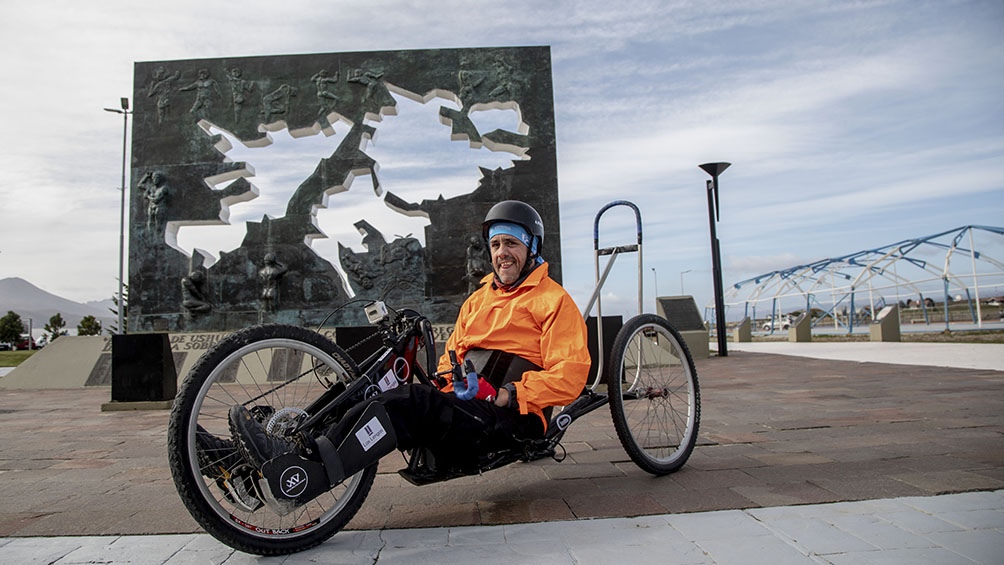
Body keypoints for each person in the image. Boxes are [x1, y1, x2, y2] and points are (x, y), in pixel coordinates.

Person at [227, 200, 591, 492]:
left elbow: (571, 375)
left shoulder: (553, 301)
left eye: (511, 243)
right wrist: (452, 382)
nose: (501, 253)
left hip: (510, 418)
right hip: (467, 408)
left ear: (531, 247)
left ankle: (304, 480)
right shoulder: (477, 300)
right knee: (365, 393)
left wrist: (507, 393)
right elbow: (453, 360)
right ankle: (246, 462)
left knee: (411, 403)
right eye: (495, 244)